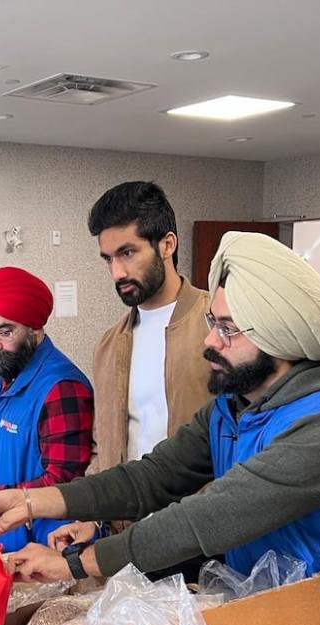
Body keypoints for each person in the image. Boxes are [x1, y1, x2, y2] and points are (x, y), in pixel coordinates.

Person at [0, 233, 320, 625]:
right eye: (212, 322)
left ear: (279, 337)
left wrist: (78, 564)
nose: (209, 340)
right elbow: (152, 477)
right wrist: (33, 501)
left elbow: (210, 517)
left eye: (229, 329)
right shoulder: (234, 409)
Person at [0, 266, 94, 552]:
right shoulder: (4, 378)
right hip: (6, 537)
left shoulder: (62, 388)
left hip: (47, 546)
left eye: (4, 332)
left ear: (35, 328)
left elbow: (64, 485)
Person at [87, 181, 212, 469]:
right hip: (126, 511)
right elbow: (102, 445)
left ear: (167, 245)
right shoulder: (109, 344)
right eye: (108, 259)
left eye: (127, 253)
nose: (117, 273)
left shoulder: (216, 328)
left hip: (196, 511)